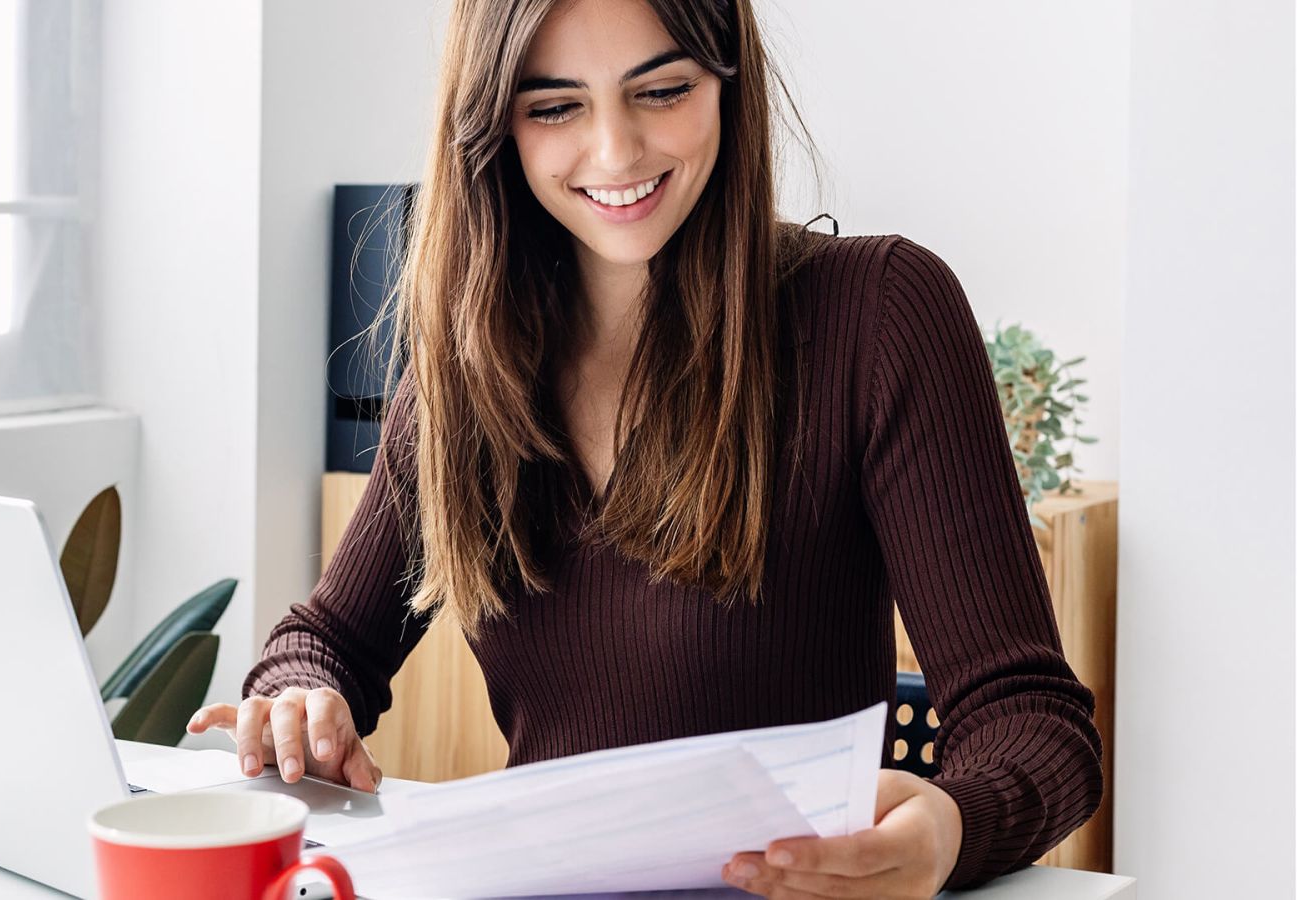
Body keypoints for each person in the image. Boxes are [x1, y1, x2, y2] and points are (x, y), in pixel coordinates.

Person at [188, 0, 1103, 895]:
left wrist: (947, 827)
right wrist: (301, 698)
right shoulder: (468, 377)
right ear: (492, 128)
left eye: (662, 91)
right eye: (554, 106)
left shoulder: (878, 314)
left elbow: (1034, 723)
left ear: (726, 85)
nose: (617, 153)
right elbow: (326, 641)